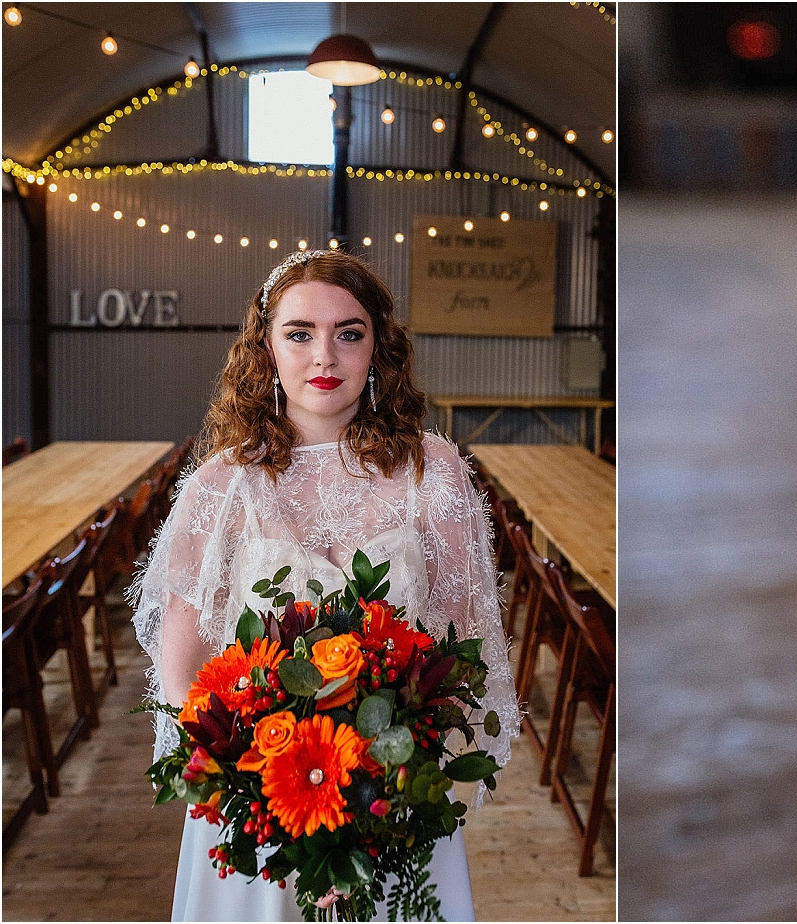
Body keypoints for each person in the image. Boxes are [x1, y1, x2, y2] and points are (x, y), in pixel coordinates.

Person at [131, 250, 518, 921]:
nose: (325, 360)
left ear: (378, 348)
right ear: (266, 348)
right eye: (300, 334)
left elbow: (464, 641)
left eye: (349, 334)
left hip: (394, 795)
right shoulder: (222, 485)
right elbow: (183, 663)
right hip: (257, 802)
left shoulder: (435, 472)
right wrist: (249, 790)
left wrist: (388, 787)